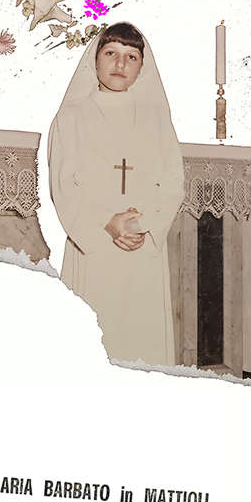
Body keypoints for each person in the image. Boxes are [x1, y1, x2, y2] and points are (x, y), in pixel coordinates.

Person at [47, 22, 184, 365]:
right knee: (94, 343)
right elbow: (63, 184)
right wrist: (106, 222)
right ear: (94, 59)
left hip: (142, 245)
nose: (120, 64)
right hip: (94, 245)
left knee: (142, 345)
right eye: (111, 53)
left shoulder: (156, 118)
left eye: (131, 56)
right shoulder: (72, 116)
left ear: (142, 66)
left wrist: (143, 224)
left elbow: (172, 181)